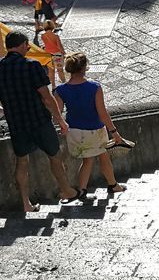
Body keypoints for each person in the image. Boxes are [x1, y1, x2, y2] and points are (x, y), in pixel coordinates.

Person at [0, 31, 79, 213]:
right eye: (26, 46)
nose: (27, 49)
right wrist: (60, 121)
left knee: (22, 162)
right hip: (39, 120)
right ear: (23, 44)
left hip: (16, 124)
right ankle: (66, 191)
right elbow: (47, 98)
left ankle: (26, 204)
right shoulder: (32, 65)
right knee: (55, 157)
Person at [54, 52, 130, 197]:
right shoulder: (94, 87)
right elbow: (102, 113)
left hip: (74, 131)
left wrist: (62, 126)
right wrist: (114, 132)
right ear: (84, 68)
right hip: (94, 129)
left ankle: (83, 189)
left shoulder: (61, 90)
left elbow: (57, 114)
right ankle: (113, 185)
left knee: (88, 160)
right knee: (102, 156)